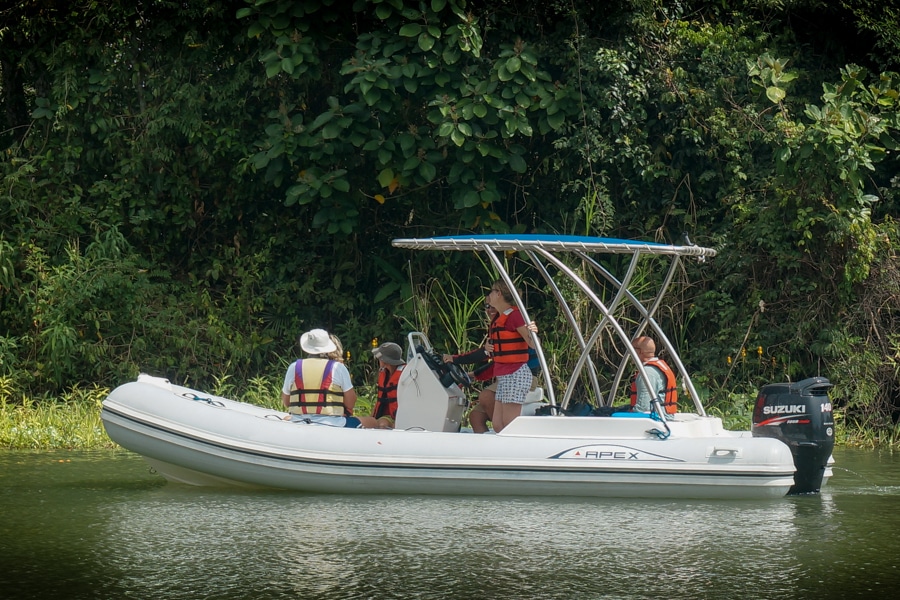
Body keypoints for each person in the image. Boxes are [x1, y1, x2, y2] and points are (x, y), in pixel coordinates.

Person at [281, 328, 378, 428]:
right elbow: (351, 402)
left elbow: (286, 402)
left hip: (299, 421)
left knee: (287, 418)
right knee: (373, 422)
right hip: (333, 423)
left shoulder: (293, 367)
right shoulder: (338, 368)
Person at [485, 279, 538, 432]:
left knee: (509, 424)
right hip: (504, 375)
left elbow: (533, 344)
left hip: (515, 374)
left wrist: (532, 332)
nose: (489, 295)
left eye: (492, 291)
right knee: (498, 425)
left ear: (499, 294)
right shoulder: (498, 318)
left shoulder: (515, 316)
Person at [443, 298, 498, 433]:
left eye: (493, 307)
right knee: (475, 416)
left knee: (485, 395)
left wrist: (454, 359)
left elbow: (484, 355)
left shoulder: (506, 324)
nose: (490, 310)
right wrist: (474, 375)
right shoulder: (496, 325)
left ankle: (502, 431)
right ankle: (486, 449)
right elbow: (495, 361)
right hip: (506, 375)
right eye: (487, 306)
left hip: (520, 375)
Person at [630, 335, 678, 415]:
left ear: (640, 352)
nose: (630, 354)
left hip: (656, 417)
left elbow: (643, 407)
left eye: (632, 350)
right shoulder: (656, 367)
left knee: (606, 412)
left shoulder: (647, 373)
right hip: (663, 414)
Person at [371, 341, 406, 429]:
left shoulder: (405, 375)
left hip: (403, 416)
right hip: (387, 416)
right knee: (378, 423)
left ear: (384, 361)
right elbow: (380, 399)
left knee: (383, 425)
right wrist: (371, 417)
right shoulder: (383, 373)